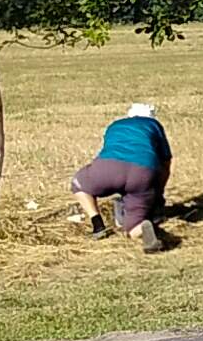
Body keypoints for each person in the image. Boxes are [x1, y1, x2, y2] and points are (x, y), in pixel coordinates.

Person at [73, 102, 174, 252]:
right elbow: (166, 161)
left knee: (79, 184)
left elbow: (109, 149)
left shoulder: (115, 125)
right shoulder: (154, 125)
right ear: (151, 116)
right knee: (131, 227)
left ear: (130, 115)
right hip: (143, 173)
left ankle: (97, 224)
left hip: (109, 168)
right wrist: (157, 192)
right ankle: (142, 228)